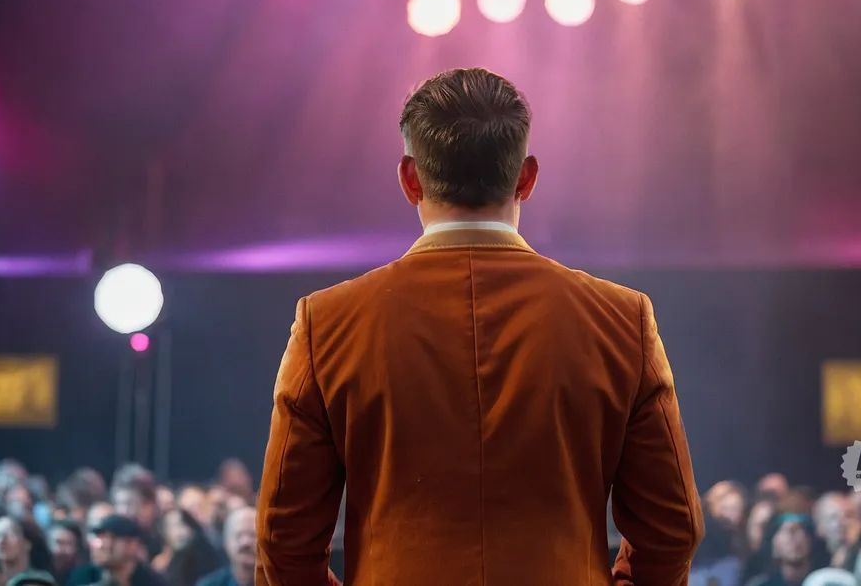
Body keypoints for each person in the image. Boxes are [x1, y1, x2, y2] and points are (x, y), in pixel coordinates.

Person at [254, 67, 704, 586]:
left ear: (409, 178)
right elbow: (673, 528)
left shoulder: (326, 322)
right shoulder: (622, 318)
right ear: (527, 177)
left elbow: (282, 538)